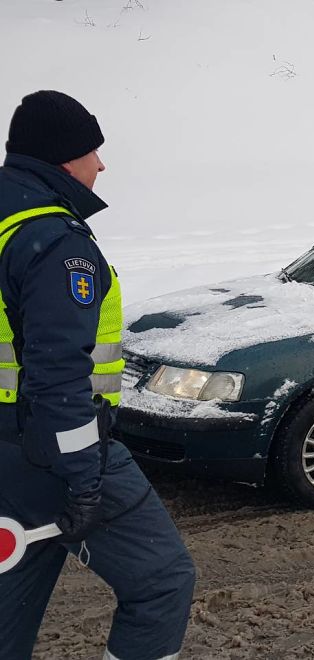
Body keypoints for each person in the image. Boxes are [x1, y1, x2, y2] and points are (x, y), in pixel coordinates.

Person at [0, 91, 195, 660]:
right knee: (162, 581)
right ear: (64, 158)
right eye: (93, 151)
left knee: (12, 600)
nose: (102, 165)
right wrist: (86, 479)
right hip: (55, 452)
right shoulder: (57, 244)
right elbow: (57, 373)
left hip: (11, 453)